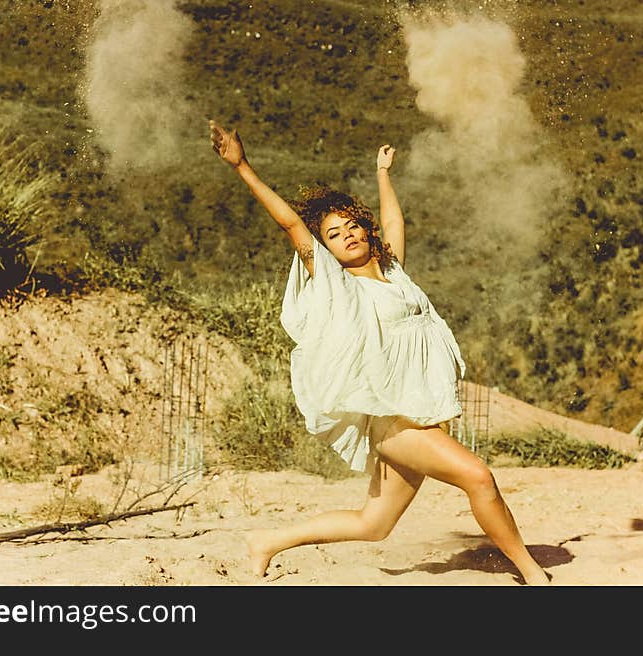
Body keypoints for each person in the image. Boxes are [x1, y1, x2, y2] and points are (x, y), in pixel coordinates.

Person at [208, 119, 550, 585]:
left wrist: (382, 173)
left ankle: (266, 540)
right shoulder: (336, 286)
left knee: (375, 524)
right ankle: (532, 573)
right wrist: (242, 165)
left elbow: (394, 222)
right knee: (478, 477)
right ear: (324, 247)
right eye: (333, 233)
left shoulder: (394, 273)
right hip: (394, 422)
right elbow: (290, 222)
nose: (347, 235)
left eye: (352, 227)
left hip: (423, 412)